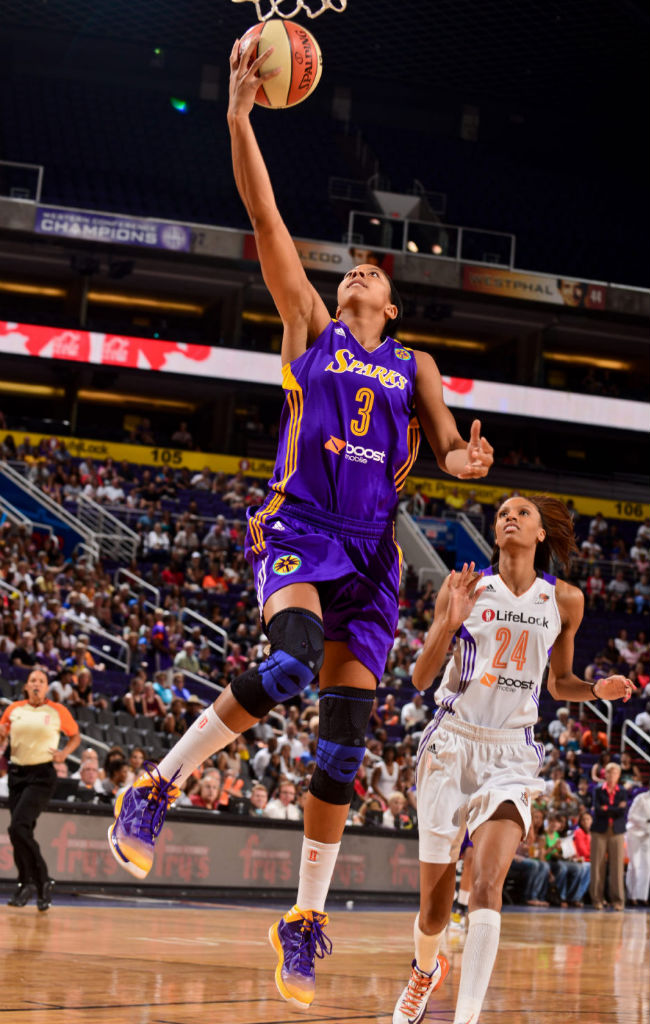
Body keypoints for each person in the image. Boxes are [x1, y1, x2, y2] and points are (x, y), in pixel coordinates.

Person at [106, 38, 494, 1013]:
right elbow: (266, 216)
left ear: (391, 303)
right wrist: (238, 120)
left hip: (370, 558)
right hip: (301, 524)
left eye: (373, 272)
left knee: (343, 743)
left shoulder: (412, 370)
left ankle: (302, 920)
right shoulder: (309, 329)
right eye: (352, 267)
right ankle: (153, 786)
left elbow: (444, 443)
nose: (358, 271)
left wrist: (458, 459)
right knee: (284, 665)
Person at [392, 495, 633, 1024]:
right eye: (502, 512)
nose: (509, 517)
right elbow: (420, 678)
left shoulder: (565, 599)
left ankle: (468, 1018)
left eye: (522, 513)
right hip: (450, 742)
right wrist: (448, 622)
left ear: (541, 533)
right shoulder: (464, 589)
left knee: (486, 883)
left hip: (511, 752)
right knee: (433, 911)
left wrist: (598, 689)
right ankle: (423, 972)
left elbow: (559, 684)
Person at [0, 667, 80, 910]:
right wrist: (2, 735)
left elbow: (75, 736)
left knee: (18, 827)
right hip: (17, 774)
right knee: (20, 833)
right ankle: (29, 885)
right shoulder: (14, 710)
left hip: (42, 776)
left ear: (46, 687)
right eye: (33, 680)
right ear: (26, 686)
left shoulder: (57, 711)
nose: (36, 684)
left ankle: (40, 880)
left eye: (41, 681)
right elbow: (2, 737)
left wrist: (64, 753)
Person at [590, 762, 629, 911]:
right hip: (599, 831)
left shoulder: (623, 791)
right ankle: (597, 899)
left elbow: (622, 811)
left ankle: (618, 900)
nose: (612, 776)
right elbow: (598, 810)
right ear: (604, 775)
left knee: (617, 867)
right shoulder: (598, 790)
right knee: (597, 866)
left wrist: (608, 809)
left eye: (615, 773)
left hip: (617, 831)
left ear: (619, 776)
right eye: (609, 773)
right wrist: (614, 809)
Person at [625, 788, 650, 905]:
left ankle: (642, 896)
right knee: (634, 864)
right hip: (634, 834)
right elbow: (631, 816)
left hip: (647, 835)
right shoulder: (641, 798)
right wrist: (646, 821)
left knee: (647, 866)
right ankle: (632, 895)